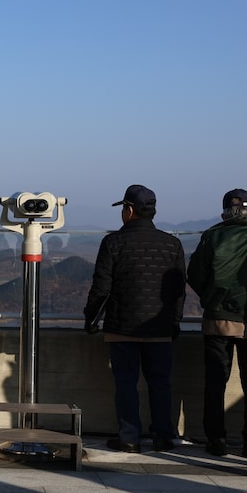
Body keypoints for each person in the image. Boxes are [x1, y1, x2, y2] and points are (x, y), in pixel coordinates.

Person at [83, 185, 186, 454]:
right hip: (160, 326)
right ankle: (164, 436)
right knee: (160, 382)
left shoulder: (113, 243)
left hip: (122, 326)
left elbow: (101, 287)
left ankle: (129, 437)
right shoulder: (172, 244)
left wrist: (91, 318)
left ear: (129, 210)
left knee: (126, 383)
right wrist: (174, 323)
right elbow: (177, 292)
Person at [186, 188, 247, 458]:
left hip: (217, 321)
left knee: (215, 382)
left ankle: (216, 440)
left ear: (223, 214)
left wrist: (212, 299)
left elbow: (195, 274)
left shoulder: (212, 236)